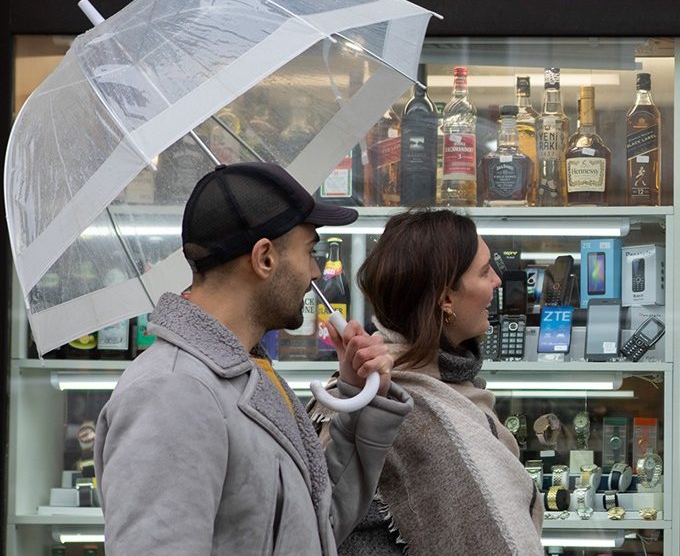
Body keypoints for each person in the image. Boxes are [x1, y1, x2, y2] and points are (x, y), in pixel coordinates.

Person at [94, 162, 414, 555]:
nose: (315, 271)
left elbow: (316, 528)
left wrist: (360, 400)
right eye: (309, 251)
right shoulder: (173, 393)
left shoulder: (246, 373)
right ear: (264, 258)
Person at [309, 209, 544, 555]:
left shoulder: (459, 391)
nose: (497, 281)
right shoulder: (369, 394)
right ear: (446, 299)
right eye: (484, 271)